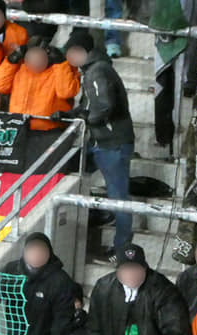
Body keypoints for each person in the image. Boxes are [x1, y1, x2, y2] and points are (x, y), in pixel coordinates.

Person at [60, 33, 135, 259]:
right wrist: (71, 114)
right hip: (101, 141)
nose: (70, 60)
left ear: (80, 51)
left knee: (118, 194)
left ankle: (122, 247)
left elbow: (104, 106)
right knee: (73, 174)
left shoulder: (97, 71)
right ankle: (98, 217)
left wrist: (86, 120)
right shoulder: (93, 70)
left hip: (112, 142)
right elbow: (90, 105)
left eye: (71, 55)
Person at [0, 233, 75, 335]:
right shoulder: (12, 270)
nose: (36, 255)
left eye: (41, 251)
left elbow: (62, 324)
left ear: (49, 253)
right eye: (32, 250)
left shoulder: (60, 281)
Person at [0, 36, 80, 130]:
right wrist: (11, 61)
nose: (36, 61)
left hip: (49, 130)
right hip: (18, 126)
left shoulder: (60, 70)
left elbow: (66, 92)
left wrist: (61, 64)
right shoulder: (20, 68)